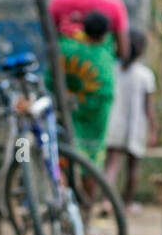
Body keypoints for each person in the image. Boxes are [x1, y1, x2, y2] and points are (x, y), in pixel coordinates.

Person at [49, 11, 118, 177]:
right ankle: (88, 199)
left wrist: (72, 23)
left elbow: (59, 38)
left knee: (68, 150)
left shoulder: (67, 48)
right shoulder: (105, 51)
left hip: (72, 109)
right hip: (98, 113)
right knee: (93, 157)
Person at [104, 29, 157, 211]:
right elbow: (148, 107)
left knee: (112, 164)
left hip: (114, 123)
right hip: (135, 127)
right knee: (133, 168)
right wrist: (153, 129)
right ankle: (126, 204)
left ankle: (106, 201)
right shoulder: (145, 75)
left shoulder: (113, 69)